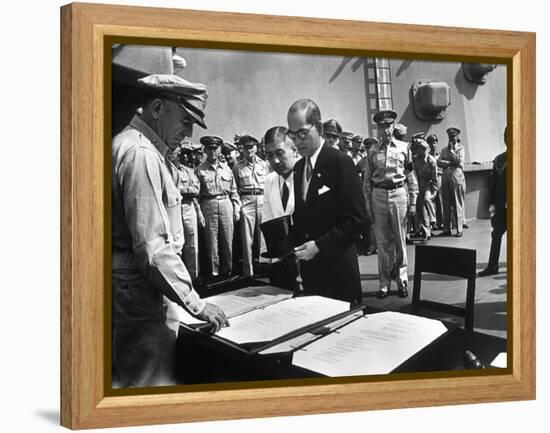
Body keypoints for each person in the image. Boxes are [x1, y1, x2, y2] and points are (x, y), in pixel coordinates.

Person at [111, 74, 228, 388]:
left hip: (136, 287)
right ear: (158, 108)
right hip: (141, 292)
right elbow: (154, 249)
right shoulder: (141, 154)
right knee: (150, 385)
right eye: (185, 122)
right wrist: (198, 305)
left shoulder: (133, 146)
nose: (187, 136)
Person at [288, 99, 366, 304]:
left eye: (303, 133)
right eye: (292, 135)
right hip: (311, 274)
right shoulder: (297, 169)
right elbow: (303, 216)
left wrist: (320, 246)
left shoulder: (340, 163)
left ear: (319, 128)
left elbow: (357, 219)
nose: (297, 141)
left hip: (338, 273)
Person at [362, 109, 418, 299]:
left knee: (400, 241)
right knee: (383, 243)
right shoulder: (372, 152)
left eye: (388, 126)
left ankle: (402, 281)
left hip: (399, 194)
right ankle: (384, 283)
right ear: (378, 129)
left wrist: (413, 203)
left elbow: (411, 176)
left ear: (393, 127)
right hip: (378, 195)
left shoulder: (404, 148)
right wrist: (368, 206)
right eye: (382, 127)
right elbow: (367, 181)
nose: (386, 130)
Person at [196, 135, 241, 277]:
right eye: (210, 148)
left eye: (215, 148)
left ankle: (228, 272)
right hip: (208, 204)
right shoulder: (199, 170)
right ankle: (214, 274)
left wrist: (236, 208)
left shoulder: (227, 169)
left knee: (228, 240)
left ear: (220, 149)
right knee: (211, 243)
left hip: (226, 203)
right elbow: (196, 196)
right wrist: (199, 214)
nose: (213, 151)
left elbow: (234, 190)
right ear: (205, 150)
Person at [262, 126, 299, 290]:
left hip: (309, 261)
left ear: (294, 150)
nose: (275, 161)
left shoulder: (309, 176)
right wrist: (267, 257)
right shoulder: (270, 180)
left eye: (279, 153)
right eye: (269, 155)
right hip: (281, 262)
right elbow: (267, 220)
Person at [233, 135, 268, 277]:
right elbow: (234, 188)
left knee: (263, 238)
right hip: (246, 200)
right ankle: (248, 271)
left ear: (256, 147)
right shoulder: (237, 167)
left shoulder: (264, 165)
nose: (249, 150)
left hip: (262, 199)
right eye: (246, 147)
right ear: (242, 149)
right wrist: (238, 205)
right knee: (247, 239)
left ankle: (263, 268)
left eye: (251, 147)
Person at [479, 127, 507, 276]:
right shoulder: (499, 160)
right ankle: (492, 265)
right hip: (502, 206)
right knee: (496, 234)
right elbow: (493, 185)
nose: (508, 139)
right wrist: (492, 204)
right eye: (506, 136)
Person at [175, 142, 205, 281]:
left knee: (192, 244)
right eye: (182, 153)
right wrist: (184, 191)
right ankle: (179, 278)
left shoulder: (189, 171)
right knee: (176, 244)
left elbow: (196, 190)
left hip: (187, 206)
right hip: (173, 208)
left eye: (188, 154)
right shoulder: (167, 169)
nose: (185, 157)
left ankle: (193, 277)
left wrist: (181, 190)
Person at [437, 127, 466, 237]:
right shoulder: (444, 149)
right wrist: (449, 163)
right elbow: (438, 162)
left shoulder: (460, 148)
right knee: (446, 203)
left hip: (456, 177)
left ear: (457, 136)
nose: (451, 138)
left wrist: (452, 151)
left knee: (457, 202)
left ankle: (459, 229)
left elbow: (459, 161)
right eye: (449, 136)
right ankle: (446, 229)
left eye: (453, 136)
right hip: (445, 177)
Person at [412, 138, 438, 240]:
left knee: (428, 199)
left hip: (428, 185)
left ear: (424, 149)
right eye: (417, 149)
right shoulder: (415, 160)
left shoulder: (431, 160)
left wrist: (434, 192)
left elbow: (435, 178)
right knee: (420, 210)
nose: (418, 151)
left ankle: (433, 219)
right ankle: (427, 232)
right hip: (417, 186)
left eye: (419, 149)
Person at [427, 134, 444, 230]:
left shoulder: (439, 156)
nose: (433, 145)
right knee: (431, 203)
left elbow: (442, 168)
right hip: (431, 182)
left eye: (434, 142)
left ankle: (441, 222)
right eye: (431, 143)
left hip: (440, 181)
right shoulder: (427, 157)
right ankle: (433, 223)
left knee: (440, 202)